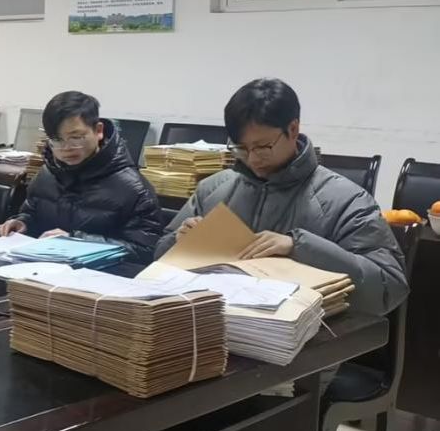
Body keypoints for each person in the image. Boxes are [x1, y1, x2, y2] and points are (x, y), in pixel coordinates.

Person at [157, 78, 408, 316]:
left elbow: (388, 288)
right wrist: (179, 241)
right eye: (241, 148)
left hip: (307, 339)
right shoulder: (213, 190)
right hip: (210, 329)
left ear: (293, 129)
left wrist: (300, 247)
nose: (253, 159)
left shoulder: (347, 200)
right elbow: (158, 257)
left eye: (263, 146)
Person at [0, 91, 164, 264]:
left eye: (75, 138)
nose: (66, 148)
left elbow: (145, 251)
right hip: (39, 268)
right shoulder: (46, 174)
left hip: (96, 275)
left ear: (98, 131)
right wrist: (23, 223)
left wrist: (76, 242)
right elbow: (32, 214)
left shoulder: (133, 188)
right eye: (57, 140)